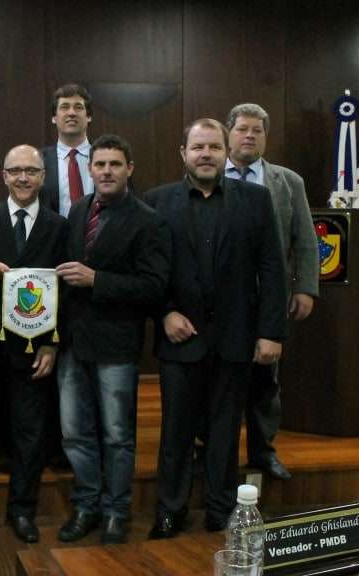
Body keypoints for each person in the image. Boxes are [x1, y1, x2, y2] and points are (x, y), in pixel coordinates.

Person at [145, 119, 287, 539]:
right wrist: (164, 312)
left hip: (236, 338)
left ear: (226, 153)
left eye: (213, 147)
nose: (205, 154)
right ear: (183, 153)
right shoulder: (157, 202)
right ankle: (170, 509)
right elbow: (150, 271)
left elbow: (273, 270)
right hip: (180, 337)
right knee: (176, 432)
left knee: (227, 430)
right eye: (197, 147)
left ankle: (221, 508)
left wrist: (271, 332)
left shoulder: (257, 200)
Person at [54, 135, 170, 544]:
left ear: (129, 169)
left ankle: (116, 512)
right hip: (73, 342)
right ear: (90, 169)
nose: (105, 171)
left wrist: (96, 280)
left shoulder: (148, 219)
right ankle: (86, 504)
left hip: (117, 346)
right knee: (73, 433)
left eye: (114, 165)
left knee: (117, 436)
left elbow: (154, 286)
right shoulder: (79, 210)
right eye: (100, 164)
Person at [0, 145, 67, 544]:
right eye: (15, 171)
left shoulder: (58, 226)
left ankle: (23, 511)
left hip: (34, 348)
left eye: (31, 171)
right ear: (3, 175)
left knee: (29, 435)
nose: (23, 178)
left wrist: (53, 344)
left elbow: (66, 292)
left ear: (42, 177)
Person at [225, 103, 319, 481]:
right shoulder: (210, 174)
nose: (249, 136)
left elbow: (307, 241)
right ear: (228, 133)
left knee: (265, 381)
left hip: (270, 299)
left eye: (257, 130)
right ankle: (211, 451)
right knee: (219, 382)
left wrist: (307, 289)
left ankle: (263, 452)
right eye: (243, 129)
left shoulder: (288, 181)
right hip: (221, 302)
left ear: (266, 137)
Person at [40, 83, 95, 217]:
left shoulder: (108, 158)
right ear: (54, 118)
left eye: (78, 107)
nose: (71, 113)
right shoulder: (38, 161)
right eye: (64, 107)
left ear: (88, 117)